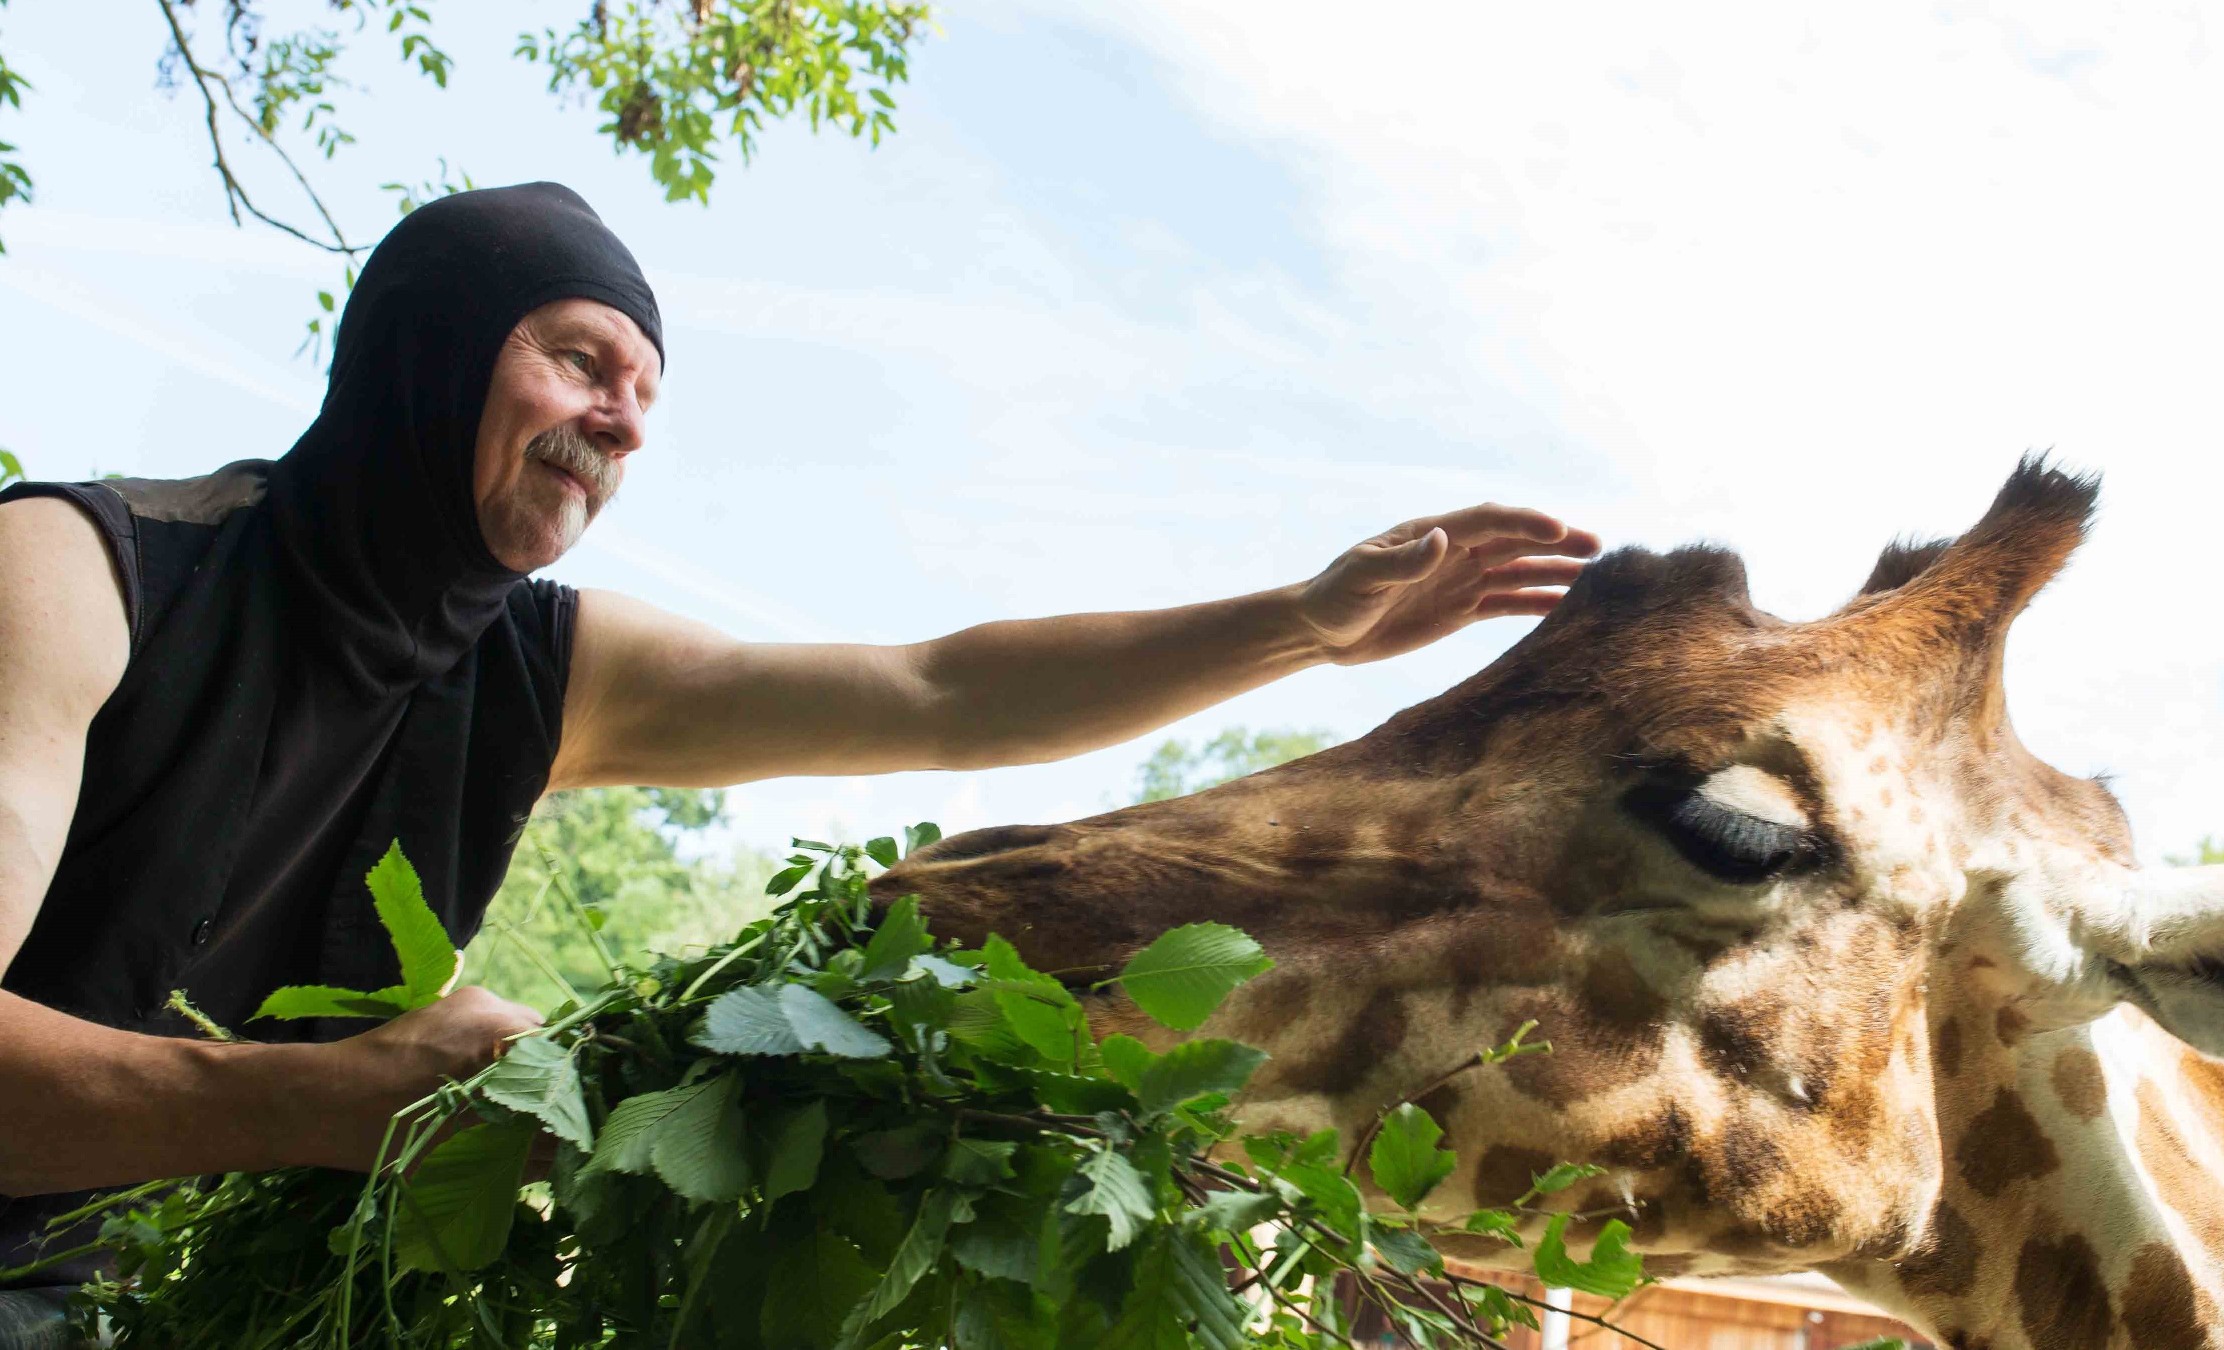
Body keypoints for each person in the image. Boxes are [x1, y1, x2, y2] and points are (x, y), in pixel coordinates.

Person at [0, 183, 1600, 1293]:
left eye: (645, 391)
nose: (626, 421)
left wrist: (1302, 625)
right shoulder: (80, 574)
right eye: (579, 354)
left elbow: (943, 693)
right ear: (426, 343)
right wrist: (317, 1103)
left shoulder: (541, 669)